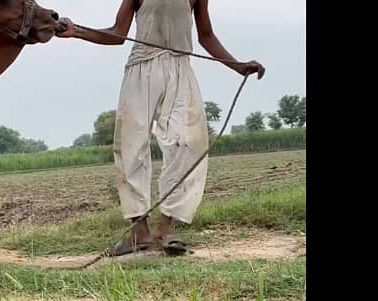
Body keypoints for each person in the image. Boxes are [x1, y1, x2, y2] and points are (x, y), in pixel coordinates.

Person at [55, 0, 265, 255]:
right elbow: (117, 34)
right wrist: (77, 31)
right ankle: (139, 231)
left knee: (188, 143)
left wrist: (237, 65)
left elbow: (206, 36)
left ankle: (167, 228)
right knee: (131, 145)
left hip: (180, 68)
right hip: (141, 68)